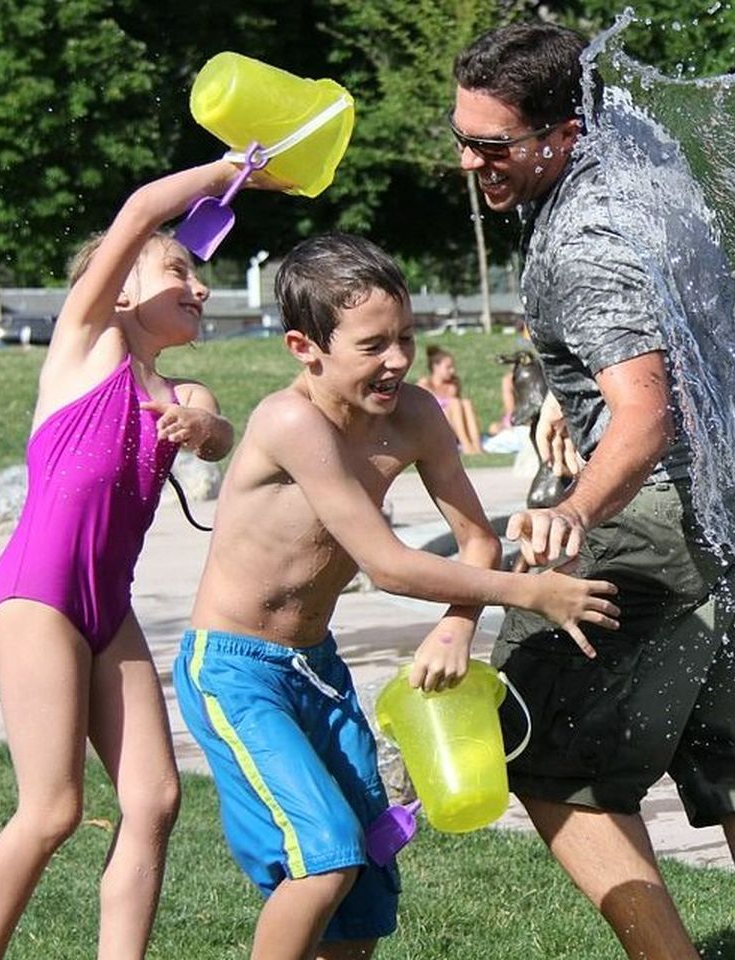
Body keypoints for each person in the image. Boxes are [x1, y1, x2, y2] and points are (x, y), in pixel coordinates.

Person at [452, 23, 735, 960]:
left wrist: (575, 507)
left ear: (562, 133)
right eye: (461, 137)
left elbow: (644, 414)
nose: (470, 162)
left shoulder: (585, 241)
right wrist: (559, 399)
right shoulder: (645, 168)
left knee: (538, 758)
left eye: (493, 145)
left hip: (647, 517)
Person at [172, 232, 619, 960]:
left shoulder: (414, 416)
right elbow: (385, 565)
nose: (399, 360)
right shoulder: (291, 423)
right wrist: (530, 593)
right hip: (234, 670)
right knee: (325, 856)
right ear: (303, 346)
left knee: (368, 887)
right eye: (374, 344)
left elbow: (476, 536)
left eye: (407, 337)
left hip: (315, 667)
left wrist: (458, 626)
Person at [0, 160, 269, 959]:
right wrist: (234, 169)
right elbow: (142, 208)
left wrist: (203, 435)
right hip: (36, 598)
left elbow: (217, 430)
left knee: (154, 797)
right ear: (117, 289)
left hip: (109, 610)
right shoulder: (86, 343)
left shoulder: (186, 391)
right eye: (179, 269)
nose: (200, 287)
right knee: (51, 811)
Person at [416, 344, 483, 454]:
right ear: (435, 367)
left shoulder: (453, 385)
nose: (452, 371)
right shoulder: (424, 384)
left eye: (453, 367)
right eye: (448, 367)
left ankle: (476, 445)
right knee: (455, 402)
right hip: (434, 426)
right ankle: (466, 445)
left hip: (452, 428)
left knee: (466, 403)